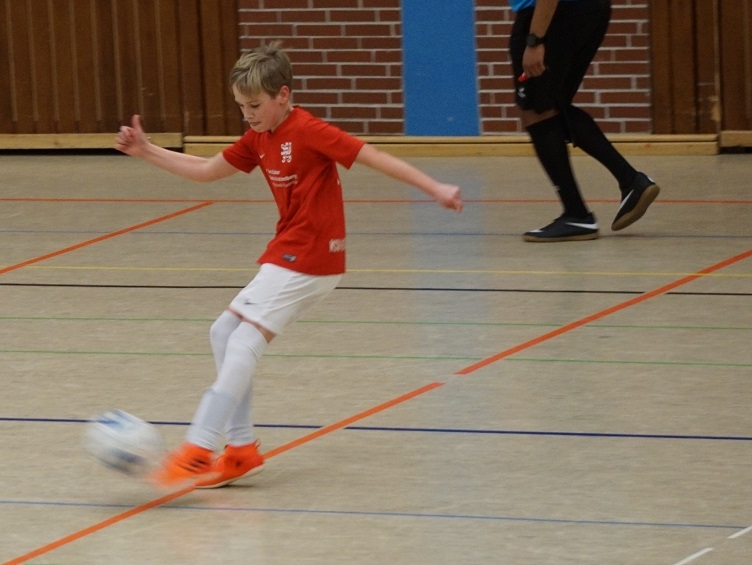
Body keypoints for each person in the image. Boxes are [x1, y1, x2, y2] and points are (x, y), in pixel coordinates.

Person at [114, 43, 463, 489]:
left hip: (312, 254)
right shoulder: (258, 137)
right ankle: (240, 450)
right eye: (241, 107)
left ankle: (198, 448)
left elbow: (372, 157)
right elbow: (206, 170)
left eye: (255, 105)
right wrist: (147, 151)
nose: (248, 115)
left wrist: (434, 187)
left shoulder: (310, 130)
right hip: (290, 251)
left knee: (243, 341)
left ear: (283, 95)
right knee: (223, 332)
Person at [509, 0, 660, 242]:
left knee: (537, 112)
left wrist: (535, 40)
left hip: (552, 14)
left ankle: (577, 214)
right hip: (589, 10)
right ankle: (631, 182)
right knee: (553, 108)